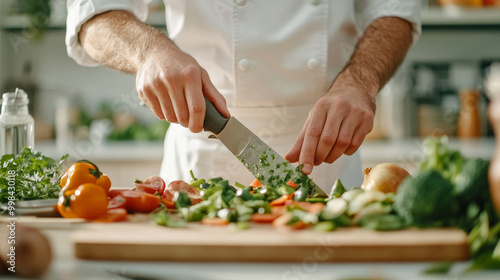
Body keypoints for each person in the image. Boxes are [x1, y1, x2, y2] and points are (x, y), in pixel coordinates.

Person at [66, 1, 421, 191]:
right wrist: (148, 51)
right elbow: (92, 14)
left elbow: (395, 9)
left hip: (328, 157)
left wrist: (360, 81)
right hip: (201, 162)